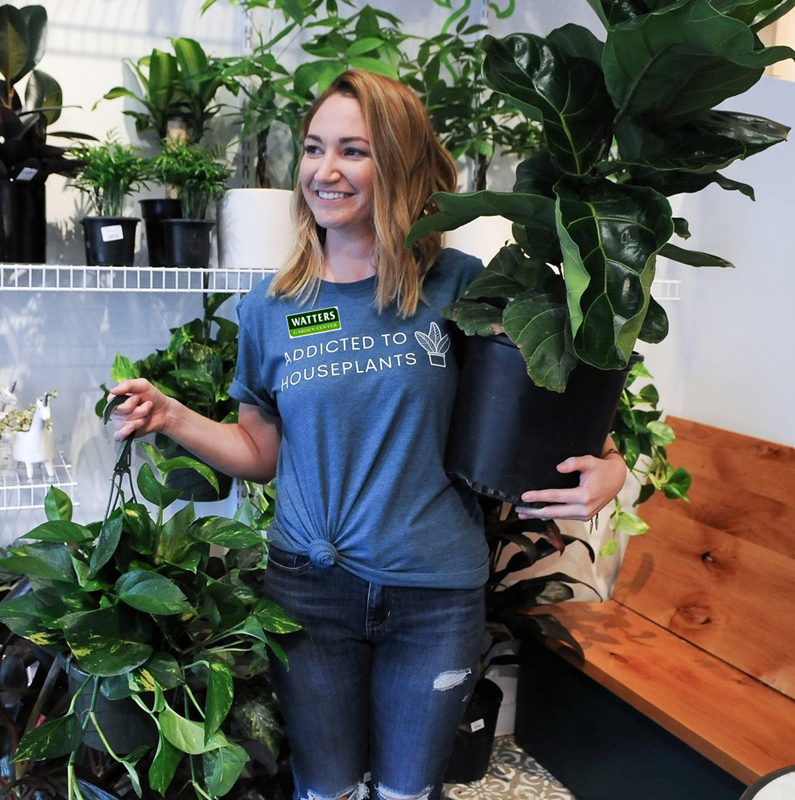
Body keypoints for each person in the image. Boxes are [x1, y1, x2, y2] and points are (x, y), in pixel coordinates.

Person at [110, 69, 627, 800]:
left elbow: (543, 395)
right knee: (325, 789)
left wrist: (612, 466)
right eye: (314, 148)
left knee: (408, 791)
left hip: (434, 594)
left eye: (353, 150)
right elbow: (261, 454)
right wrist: (171, 415)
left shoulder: (460, 285)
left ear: (400, 163)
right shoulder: (271, 307)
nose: (325, 170)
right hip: (309, 593)